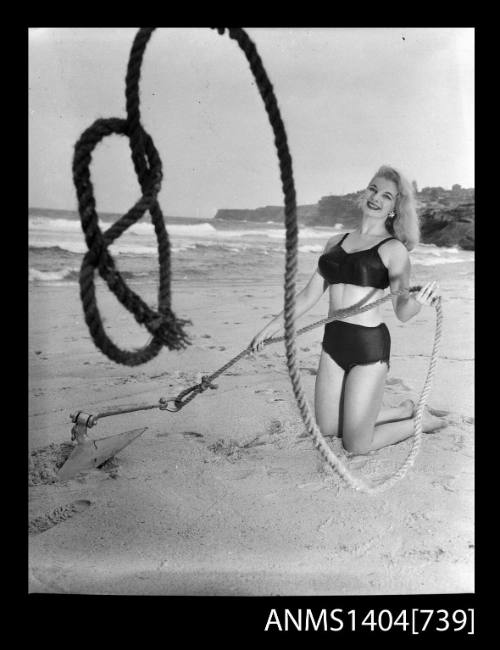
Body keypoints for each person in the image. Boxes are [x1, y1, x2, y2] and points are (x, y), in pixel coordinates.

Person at [250, 165, 446, 455]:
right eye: (373, 189)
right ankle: (403, 408)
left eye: (387, 196)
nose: (376, 198)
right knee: (328, 428)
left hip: (368, 349)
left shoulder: (394, 250)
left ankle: (421, 421)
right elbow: (307, 295)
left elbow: (402, 311)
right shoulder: (335, 242)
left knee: (356, 444)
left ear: (395, 207)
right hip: (333, 343)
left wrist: (421, 300)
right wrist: (271, 327)